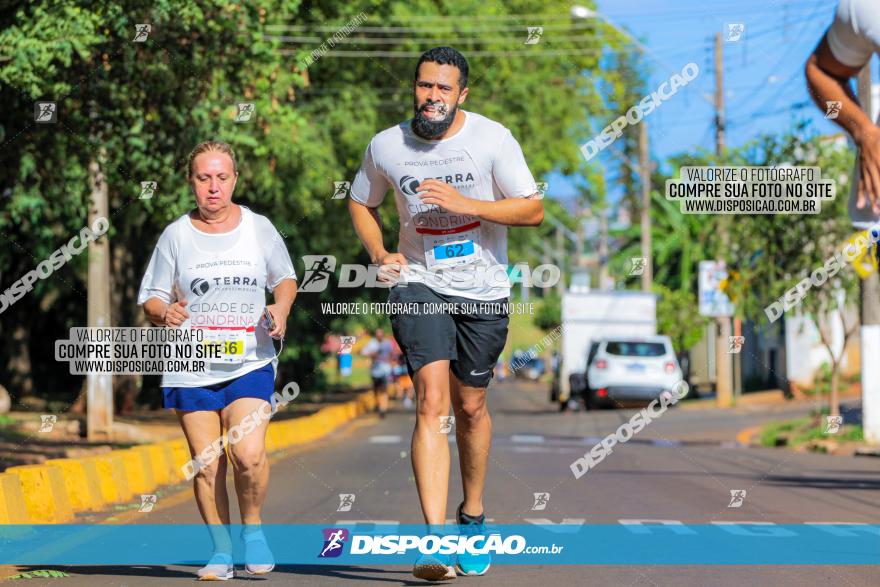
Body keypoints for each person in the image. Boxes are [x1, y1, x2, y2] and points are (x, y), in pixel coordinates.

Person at [348, 46, 543, 580]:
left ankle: (472, 515)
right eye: (424, 85)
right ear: (415, 88)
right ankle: (432, 540)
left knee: (471, 405)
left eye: (442, 88)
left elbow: (532, 207)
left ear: (462, 95)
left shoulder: (492, 139)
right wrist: (379, 253)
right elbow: (360, 201)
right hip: (418, 280)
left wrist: (469, 205)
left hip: (483, 288)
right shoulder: (387, 145)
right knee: (431, 402)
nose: (431, 96)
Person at [138, 140, 297, 580]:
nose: (213, 187)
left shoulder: (257, 227)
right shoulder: (175, 235)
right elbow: (151, 296)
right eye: (203, 178)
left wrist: (280, 308)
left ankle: (254, 530)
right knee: (207, 464)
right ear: (192, 182)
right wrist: (162, 310)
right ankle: (221, 551)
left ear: (234, 180)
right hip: (191, 364)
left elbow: (284, 277)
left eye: (221, 177)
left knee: (248, 455)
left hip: (249, 360)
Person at [361, 328, 395, 417]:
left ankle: (383, 408)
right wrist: (372, 354)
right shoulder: (372, 343)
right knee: (376, 389)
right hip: (375, 370)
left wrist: (391, 362)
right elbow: (363, 352)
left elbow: (392, 353)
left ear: (382, 334)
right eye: (377, 334)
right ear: (375, 335)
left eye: (380, 334)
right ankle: (378, 404)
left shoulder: (387, 343)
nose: (379, 335)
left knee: (384, 389)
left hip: (385, 369)